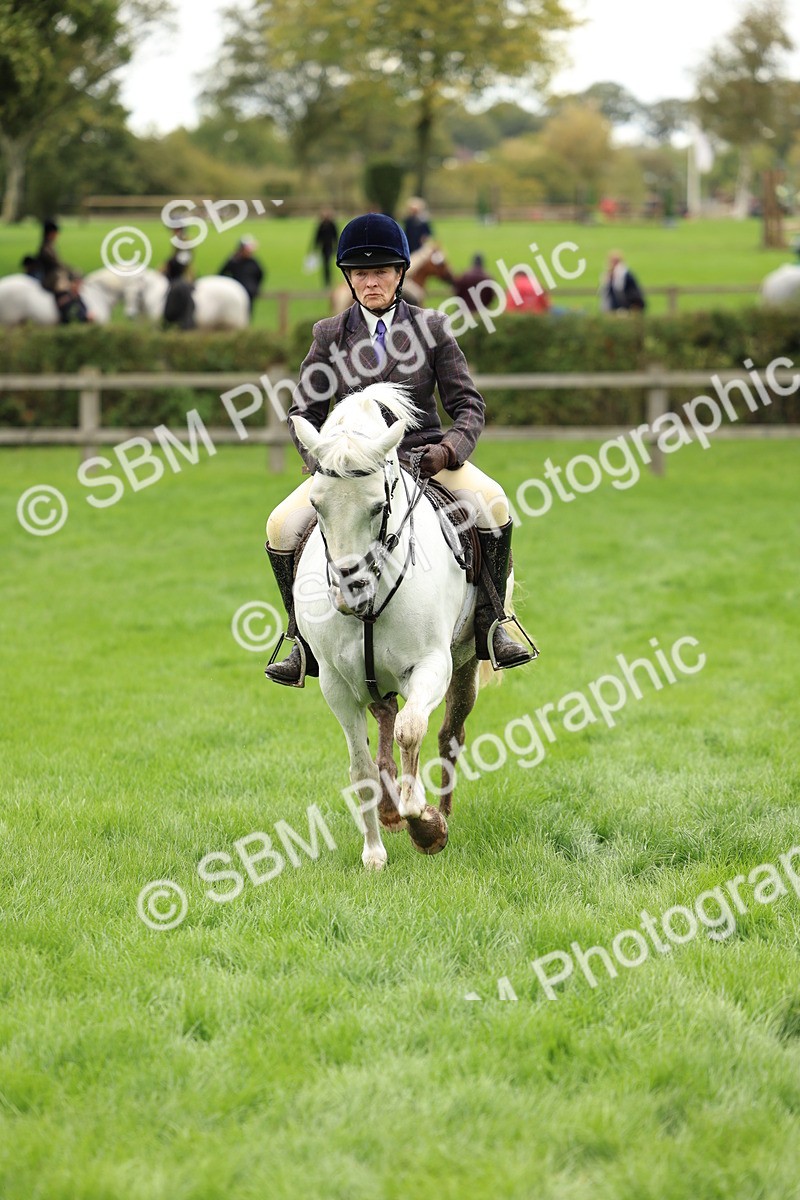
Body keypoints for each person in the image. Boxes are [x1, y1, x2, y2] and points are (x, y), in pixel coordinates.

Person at [264, 212, 536, 687]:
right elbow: (303, 411)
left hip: (423, 458)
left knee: (493, 503)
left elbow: (468, 405)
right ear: (349, 278)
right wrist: (325, 462)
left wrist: (448, 451)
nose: (371, 282)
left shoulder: (432, 327)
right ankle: (299, 638)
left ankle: (494, 624)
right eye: (360, 273)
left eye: (381, 272)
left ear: (400, 274)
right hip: (350, 469)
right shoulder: (329, 335)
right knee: (281, 526)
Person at [28, 219, 86, 323]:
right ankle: (66, 314)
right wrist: (73, 272)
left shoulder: (49, 246)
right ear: (52, 233)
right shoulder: (46, 249)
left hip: (54, 274)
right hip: (51, 278)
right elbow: (57, 264)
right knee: (66, 289)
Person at [219, 234, 264, 313]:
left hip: (249, 294)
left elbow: (260, 275)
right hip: (235, 294)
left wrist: (255, 288)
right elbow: (221, 275)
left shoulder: (253, 262)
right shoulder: (233, 261)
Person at [312, 210, 339, 286]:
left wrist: (336, 247)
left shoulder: (332, 225)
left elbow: (335, 236)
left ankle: (328, 279)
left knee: (327, 264)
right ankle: (326, 279)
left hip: (329, 247)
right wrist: (315, 247)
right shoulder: (322, 225)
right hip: (323, 247)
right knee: (325, 264)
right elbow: (317, 237)